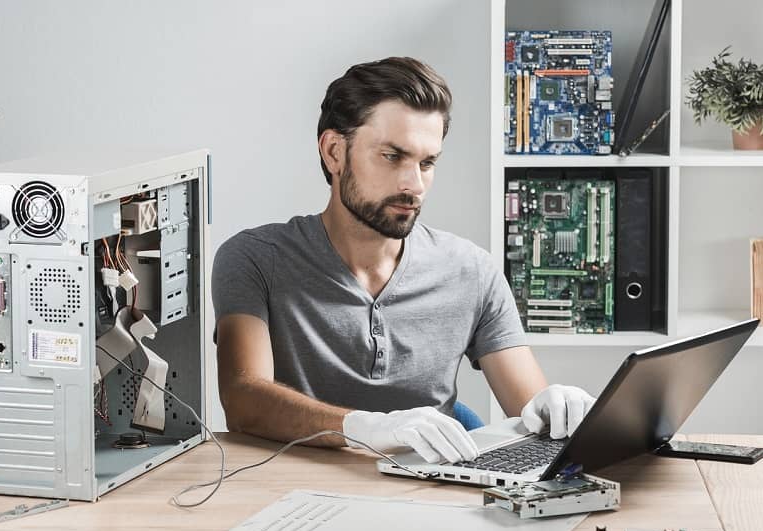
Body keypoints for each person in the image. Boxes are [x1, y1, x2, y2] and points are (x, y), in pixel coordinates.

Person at [212, 57, 595, 464]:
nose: (414, 185)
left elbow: (529, 409)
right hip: (295, 490)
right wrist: (364, 428)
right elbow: (243, 399)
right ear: (334, 152)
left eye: (427, 163)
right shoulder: (254, 259)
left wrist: (553, 406)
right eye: (392, 156)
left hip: (433, 495)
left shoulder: (471, 270)